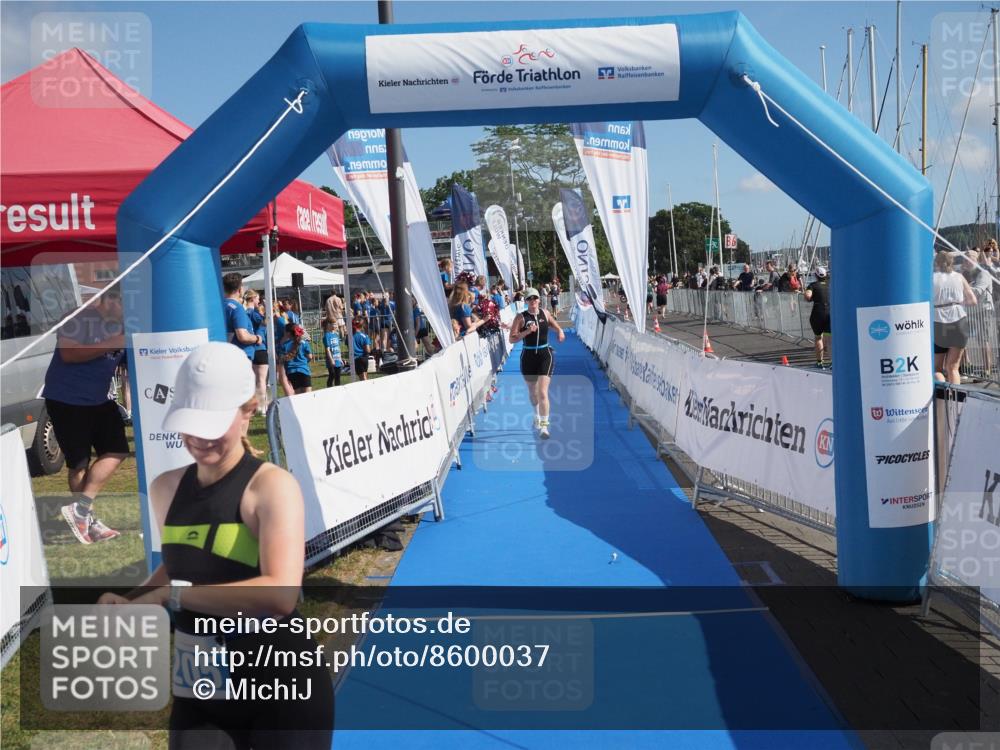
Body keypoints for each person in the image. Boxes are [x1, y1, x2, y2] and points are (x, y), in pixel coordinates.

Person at [98, 341, 333, 748]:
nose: (200, 438)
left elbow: (280, 595)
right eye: (191, 423)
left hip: (281, 682)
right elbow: (182, 565)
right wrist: (128, 600)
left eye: (213, 424)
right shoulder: (166, 488)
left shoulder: (271, 487)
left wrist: (171, 596)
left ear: (248, 411)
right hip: (201, 687)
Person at [45, 287, 128, 544]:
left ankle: (80, 511)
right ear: (110, 299)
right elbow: (69, 353)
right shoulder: (78, 318)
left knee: (117, 450)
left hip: (99, 400)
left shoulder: (123, 327)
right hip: (66, 399)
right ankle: (87, 521)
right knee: (79, 464)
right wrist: (113, 342)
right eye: (125, 304)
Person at [509, 287, 565, 438]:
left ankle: (544, 427)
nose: (533, 301)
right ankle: (536, 415)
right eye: (530, 298)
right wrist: (527, 331)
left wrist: (560, 331)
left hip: (545, 354)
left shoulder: (545, 313)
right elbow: (512, 339)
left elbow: (553, 324)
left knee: (542, 392)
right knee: (533, 392)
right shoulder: (521, 317)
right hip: (528, 356)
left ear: (539, 299)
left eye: (535, 298)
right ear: (526, 301)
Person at [933, 250, 977, 384]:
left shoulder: (931, 278)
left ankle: (942, 396)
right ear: (951, 262)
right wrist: (957, 303)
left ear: (936, 263)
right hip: (959, 320)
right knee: (953, 368)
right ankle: (955, 397)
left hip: (938, 321)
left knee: (936, 369)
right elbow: (973, 301)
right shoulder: (959, 277)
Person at [223, 273, 261, 360]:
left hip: (229, 354)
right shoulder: (236, 308)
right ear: (240, 289)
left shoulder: (221, 305)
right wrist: (257, 338)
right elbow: (243, 336)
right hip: (241, 356)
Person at [244, 290, 268, 415]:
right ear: (252, 299)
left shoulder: (243, 312)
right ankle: (262, 407)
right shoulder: (253, 313)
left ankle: (255, 406)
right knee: (262, 380)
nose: (259, 301)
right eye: (257, 298)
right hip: (260, 348)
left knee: (254, 380)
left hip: (250, 349)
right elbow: (265, 322)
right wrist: (267, 310)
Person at [804, 266, 831, 367]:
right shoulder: (830, 285)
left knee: (818, 338)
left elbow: (808, 296)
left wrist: (809, 297)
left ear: (816, 276)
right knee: (829, 339)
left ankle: (820, 362)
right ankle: (833, 363)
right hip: (830, 312)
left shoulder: (813, 285)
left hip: (818, 313)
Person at [280, 324, 313, 395]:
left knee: (298, 395)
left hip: (291, 372)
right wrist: (305, 362)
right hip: (304, 370)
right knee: (308, 394)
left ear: (288, 333)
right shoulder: (304, 343)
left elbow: (282, 359)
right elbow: (310, 357)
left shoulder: (284, 345)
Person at [322, 318, 343, 388]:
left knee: (338, 376)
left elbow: (338, 348)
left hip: (338, 359)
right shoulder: (326, 336)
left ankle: (338, 389)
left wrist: (340, 359)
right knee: (332, 374)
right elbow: (327, 349)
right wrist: (331, 360)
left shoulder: (336, 335)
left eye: (336, 324)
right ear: (329, 325)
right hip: (331, 359)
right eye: (334, 324)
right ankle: (329, 389)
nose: (336, 325)